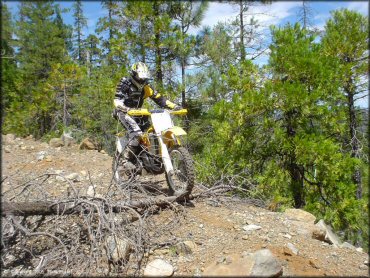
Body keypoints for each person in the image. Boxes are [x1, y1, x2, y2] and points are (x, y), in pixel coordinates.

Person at [113, 62, 181, 165]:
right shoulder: (125, 83)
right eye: (140, 78)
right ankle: (126, 160)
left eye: (144, 78)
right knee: (136, 134)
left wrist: (175, 106)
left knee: (151, 132)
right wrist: (125, 108)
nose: (142, 80)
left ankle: (149, 158)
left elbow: (160, 99)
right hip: (123, 112)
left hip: (138, 113)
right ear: (134, 74)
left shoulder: (146, 87)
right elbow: (117, 100)